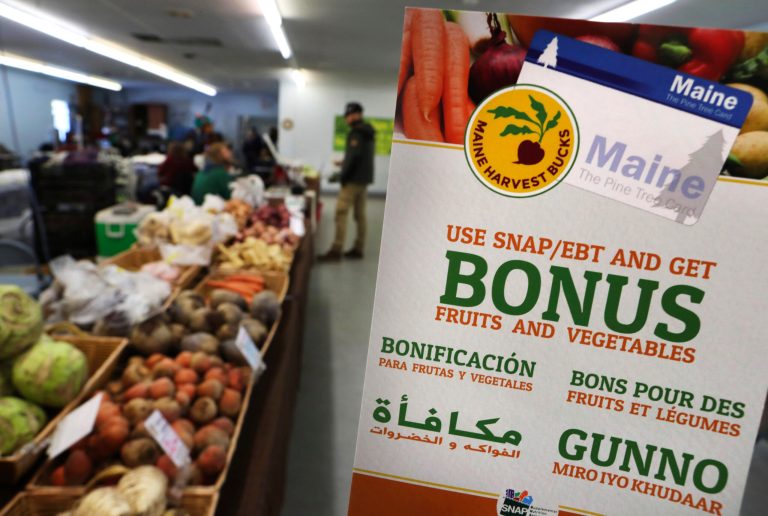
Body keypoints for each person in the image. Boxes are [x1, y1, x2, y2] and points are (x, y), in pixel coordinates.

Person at [318, 102, 375, 262]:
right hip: (363, 181)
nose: (347, 119)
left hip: (352, 181)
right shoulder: (368, 131)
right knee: (360, 215)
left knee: (340, 213)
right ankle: (359, 248)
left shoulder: (356, 133)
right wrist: (344, 162)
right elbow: (358, 156)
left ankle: (336, 249)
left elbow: (354, 158)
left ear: (356, 115)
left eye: (348, 116)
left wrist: (343, 176)